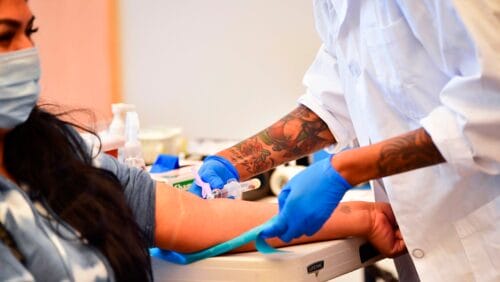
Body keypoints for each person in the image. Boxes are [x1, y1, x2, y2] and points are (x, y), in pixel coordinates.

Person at [0, 0, 405, 281]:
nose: (26, 52)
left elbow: (185, 217)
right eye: (5, 37)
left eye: (29, 32)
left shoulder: (56, 152)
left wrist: (361, 217)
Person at [191, 1, 500, 281]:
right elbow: (335, 97)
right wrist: (232, 162)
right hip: (428, 243)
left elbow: (491, 107)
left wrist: (345, 170)